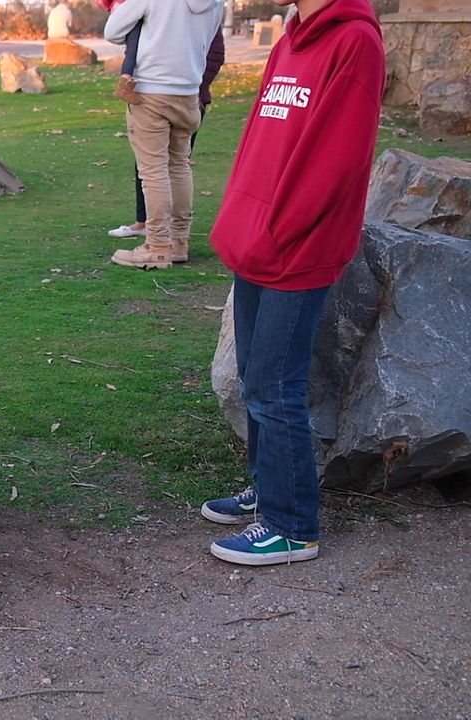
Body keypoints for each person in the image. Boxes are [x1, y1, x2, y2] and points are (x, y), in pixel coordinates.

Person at [203, 0, 385, 566]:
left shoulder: (355, 41)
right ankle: (270, 485)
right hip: (259, 235)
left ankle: (292, 525)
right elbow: (260, 135)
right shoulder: (292, 36)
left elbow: (339, 159)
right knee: (254, 373)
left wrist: (280, 228)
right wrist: (241, 215)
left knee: (274, 385)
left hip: (298, 245)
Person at [104, 0, 222, 270]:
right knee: (179, 165)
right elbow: (210, 34)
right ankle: (179, 242)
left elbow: (112, 30)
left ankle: (157, 246)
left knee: (153, 170)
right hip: (189, 91)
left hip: (151, 90)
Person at [98, 0, 142, 105]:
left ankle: (125, 83)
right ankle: (125, 85)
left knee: (131, 50)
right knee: (132, 52)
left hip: (120, 12)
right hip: (126, 13)